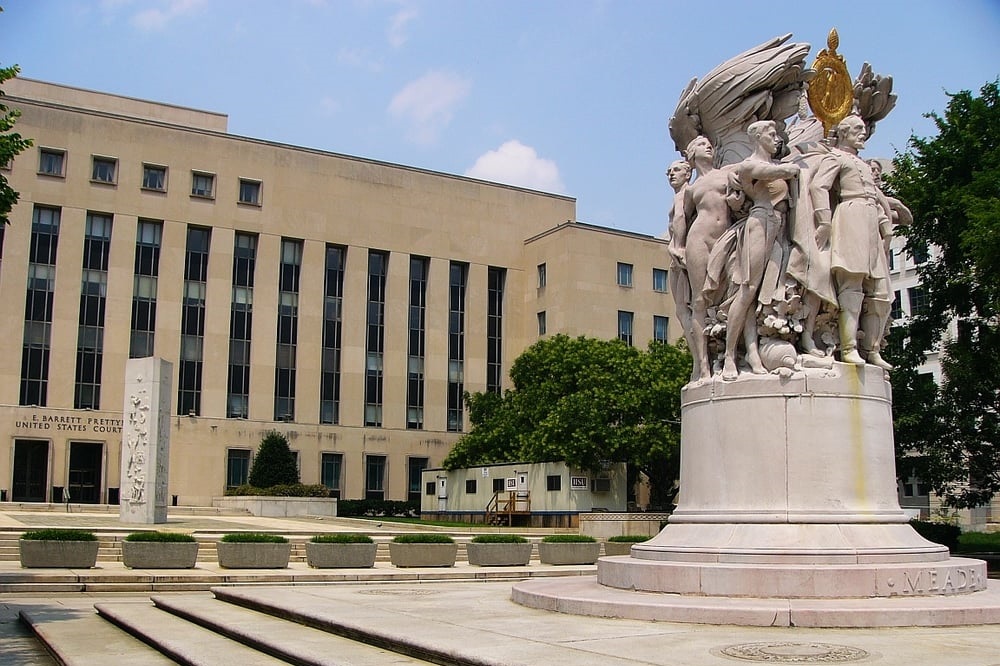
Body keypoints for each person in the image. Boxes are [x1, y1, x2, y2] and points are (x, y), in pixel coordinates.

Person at [712, 120, 800, 380]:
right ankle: (730, 354)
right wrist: (794, 165)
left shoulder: (771, 165)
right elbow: (774, 172)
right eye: (771, 135)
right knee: (747, 289)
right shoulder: (750, 164)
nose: (776, 139)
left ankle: (752, 352)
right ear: (758, 137)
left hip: (779, 228)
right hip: (760, 222)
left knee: (759, 292)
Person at [809, 115, 893, 369]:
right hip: (851, 213)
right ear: (844, 132)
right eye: (857, 129)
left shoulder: (864, 164)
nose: (863, 133)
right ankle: (849, 347)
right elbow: (818, 186)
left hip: (869, 220)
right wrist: (823, 220)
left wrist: (884, 223)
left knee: (881, 292)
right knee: (852, 283)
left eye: (864, 129)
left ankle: (873, 348)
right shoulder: (836, 157)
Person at [680, 136, 744, 381]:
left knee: (736, 291)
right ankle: (702, 363)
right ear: (692, 153)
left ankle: (732, 354)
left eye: (710, 144)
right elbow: (681, 219)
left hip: (726, 237)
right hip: (699, 239)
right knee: (699, 302)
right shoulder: (692, 189)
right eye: (702, 144)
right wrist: (677, 246)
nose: (708, 147)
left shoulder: (726, 172)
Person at [665, 160, 694, 355]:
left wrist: (677, 247)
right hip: (676, 256)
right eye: (668, 172)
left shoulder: (685, 195)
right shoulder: (679, 196)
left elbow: (680, 221)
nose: (671, 175)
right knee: (682, 311)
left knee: (685, 310)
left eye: (676, 170)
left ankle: (700, 363)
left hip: (681, 257)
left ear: (688, 173)